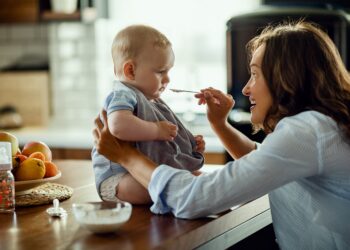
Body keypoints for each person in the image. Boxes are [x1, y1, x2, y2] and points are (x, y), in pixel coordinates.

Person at [93, 21, 350, 249]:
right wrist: (219, 124)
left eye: (255, 75)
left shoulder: (306, 132)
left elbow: (193, 199)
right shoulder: (321, 126)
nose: (247, 88)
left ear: (286, 78)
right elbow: (263, 162)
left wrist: (125, 156)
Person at [91, 25, 205, 205]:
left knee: (197, 179)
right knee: (167, 189)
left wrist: (188, 144)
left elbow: (160, 143)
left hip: (140, 171)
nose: (167, 79)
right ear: (130, 71)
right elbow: (119, 126)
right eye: (161, 71)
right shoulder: (122, 94)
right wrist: (157, 130)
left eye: (168, 71)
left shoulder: (151, 101)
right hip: (119, 178)